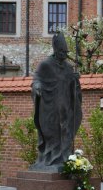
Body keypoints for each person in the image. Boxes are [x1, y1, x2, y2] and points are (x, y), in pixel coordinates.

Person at [30, 32, 82, 172]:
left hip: (65, 108)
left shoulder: (68, 67)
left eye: (66, 52)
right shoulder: (45, 65)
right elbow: (36, 79)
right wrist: (37, 87)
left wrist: (75, 80)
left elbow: (72, 86)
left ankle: (64, 159)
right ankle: (48, 160)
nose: (64, 54)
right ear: (55, 50)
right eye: (61, 51)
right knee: (51, 133)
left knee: (65, 133)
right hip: (49, 108)